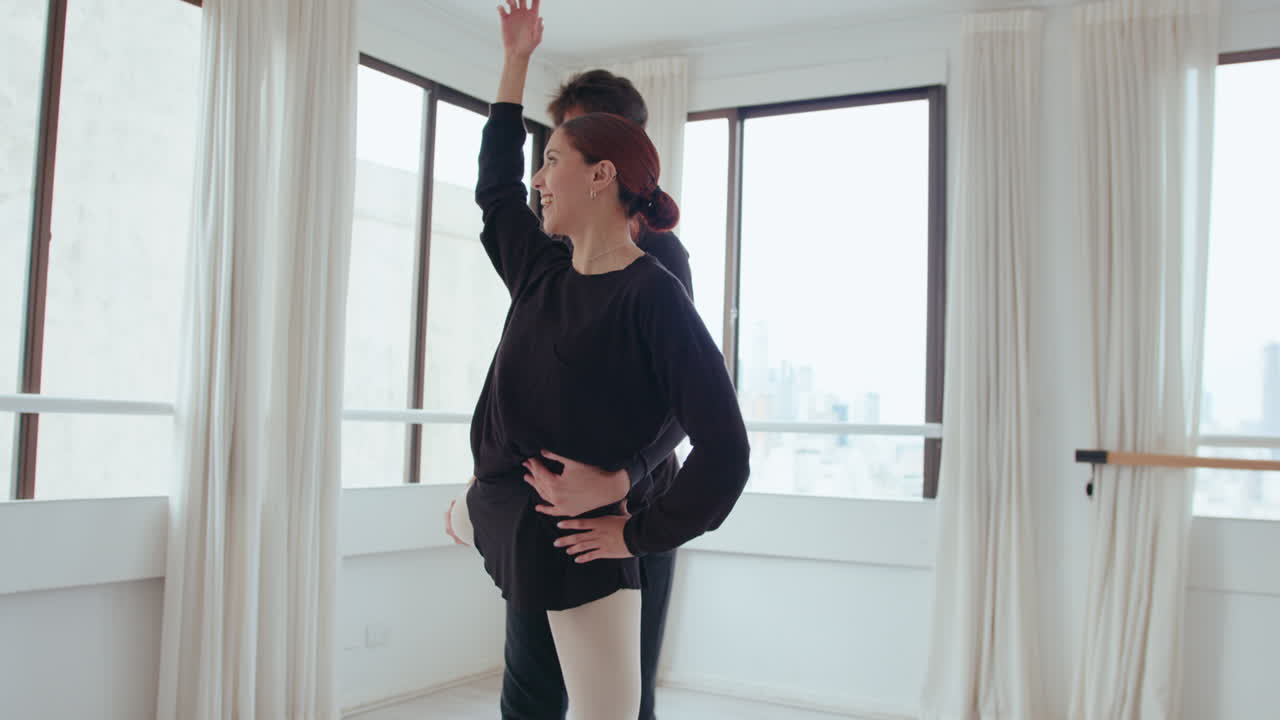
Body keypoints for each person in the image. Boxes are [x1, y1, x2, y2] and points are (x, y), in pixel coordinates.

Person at [448, 1, 749, 718]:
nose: (540, 177)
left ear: (606, 166)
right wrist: (515, 59)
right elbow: (494, 190)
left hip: (615, 509)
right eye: (544, 153)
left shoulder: (655, 278)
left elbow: (699, 420)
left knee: (613, 697)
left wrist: (621, 490)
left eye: (555, 155)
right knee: (530, 691)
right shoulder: (544, 262)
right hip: (528, 511)